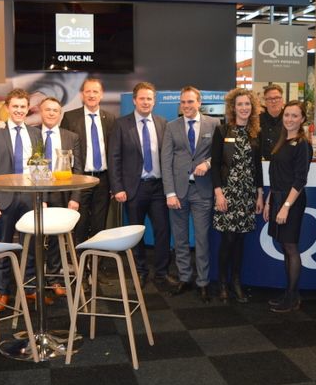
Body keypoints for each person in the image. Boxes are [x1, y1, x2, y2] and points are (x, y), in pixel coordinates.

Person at [108, 82, 173, 289]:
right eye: (142, 98)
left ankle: (162, 273)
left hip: (158, 188)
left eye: (149, 99)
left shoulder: (163, 123)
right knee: (136, 233)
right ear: (135, 100)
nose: (146, 102)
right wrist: (117, 188)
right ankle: (140, 272)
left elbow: (168, 156)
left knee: (163, 230)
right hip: (133, 189)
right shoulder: (121, 124)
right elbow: (114, 158)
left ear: (154, 101)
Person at [0, 89, 43, 311]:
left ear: (28, 109)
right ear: (7, 108)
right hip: (3, 198)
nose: (19, 110)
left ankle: (29, 288)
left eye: (22, 107)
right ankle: (2, 291)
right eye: (15, 106)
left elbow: (41, 169)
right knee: (3, 246)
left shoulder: (35, 134)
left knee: (31, 246)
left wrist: (42, 198)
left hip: (29, 197)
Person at [162, 86, 220, 303]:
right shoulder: (171, 126)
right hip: (178, 192)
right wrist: (169, 192)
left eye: (190, 101)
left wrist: (208, 163)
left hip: (202, 191)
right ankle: (185, 277)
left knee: (202, 239)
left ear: (199, 102)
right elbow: (166, 161)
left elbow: (220, 154)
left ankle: (203, 282)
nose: (186, 105)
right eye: (183, 102)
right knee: (180, 238)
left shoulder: (213, 124)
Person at [211, 88, 264, 303]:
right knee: (228, 239)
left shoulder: (255, 133)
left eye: (247, 104)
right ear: (233, 108)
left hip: (247, 193)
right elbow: (215, 164)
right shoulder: (222, 131)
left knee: (241, 240)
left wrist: (259, 194)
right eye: (240, 104)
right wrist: (218, 193)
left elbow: (257, 167)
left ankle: (236, 282)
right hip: (228, 193)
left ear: (252, 107)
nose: (244, 108)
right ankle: (222, 283)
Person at [263, 101, 312, 312]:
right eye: (287, 115)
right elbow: (276, 175)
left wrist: (286, 207)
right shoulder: (282, 140)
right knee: (284, 246)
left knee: (291, 247)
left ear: (302, 119)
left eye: (294, 116)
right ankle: (289, 293)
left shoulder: (302, 144)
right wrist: (269, 201)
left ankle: (292, 298)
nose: (289, 119)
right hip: (277, 198)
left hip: (292, 202)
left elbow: (300, 180)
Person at [37, 96, 83, 297]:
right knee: (34, 237)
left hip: (62, 195)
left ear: (60, 113)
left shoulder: (71, 137)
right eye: (47, 109)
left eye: (55, 110)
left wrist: (75, 197)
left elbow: (78, 169)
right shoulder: (31, 134)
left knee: (57, 239)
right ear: (40, 112)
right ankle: (34, 280)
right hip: (35, 193)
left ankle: (54, 278)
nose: (51, 113)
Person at [61, 78, 116, 245]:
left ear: (101, 95)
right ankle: (79, 258)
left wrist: (114, 183)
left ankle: (96, 257)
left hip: (103, 179)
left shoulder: (110, 118)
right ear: (81, 95)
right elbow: (63, 146)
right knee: (80, 223)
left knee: (100, 223)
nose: (92, 95)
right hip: (80, 179)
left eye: (95, 91)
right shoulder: (70, 117)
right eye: (88, 91)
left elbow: (114, 153)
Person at [259, 84, 285, 160]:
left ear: (282, 100)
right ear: (265, 102)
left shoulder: (290, 119)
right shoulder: (257, 121)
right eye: (270, 98)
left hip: (285, 163)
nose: (274, 101)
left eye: (277, 98)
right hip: (263, 164)